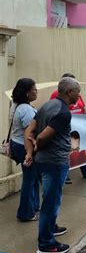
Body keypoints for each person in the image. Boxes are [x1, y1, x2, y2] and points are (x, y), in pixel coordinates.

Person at [24, 77, 81, 253]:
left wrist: (30, 153)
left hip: (43, 161)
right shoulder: (63, 113)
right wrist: (37, 146)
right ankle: (47, 244)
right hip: (54, 163)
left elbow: (29, 131)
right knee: (51, 202)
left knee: (48, 198)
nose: (79, 95)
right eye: (77, 91)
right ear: (70, 92)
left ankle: (51, 228)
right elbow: (40, 137)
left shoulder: (47, 105)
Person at [50, 73, 86, 182]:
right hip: (67, 127)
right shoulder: (55, 95)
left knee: (81, 148)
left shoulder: (78, 95)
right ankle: (65, 174)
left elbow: (83, 108)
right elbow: (54, 110)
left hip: (80, 127)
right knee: (68, 149)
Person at [9, 78, 40, 222]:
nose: (36, 92)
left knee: (31, 178)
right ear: (27, 93)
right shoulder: (26, 109)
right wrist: (30, 152)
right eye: (34, 89)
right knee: (29, 179)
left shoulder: (16, 106)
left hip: (17, 143)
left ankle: (33, 206)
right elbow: (30, 133)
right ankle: (25, 213)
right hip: (25, 146)